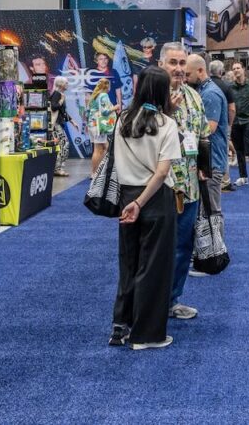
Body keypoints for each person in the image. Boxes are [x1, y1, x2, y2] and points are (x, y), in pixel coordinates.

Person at [109, 66, 181, 351]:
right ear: (163, 91)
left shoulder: (122, 119)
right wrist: (141, 202)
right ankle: (147, 335)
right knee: (154, 266)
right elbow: (162, 172)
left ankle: (120, 326)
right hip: (154, 198)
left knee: (128, 262)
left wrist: (133, 202)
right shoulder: (167, 124)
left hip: (126, 195)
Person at [159, 42, 209, 321]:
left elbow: (202, 136)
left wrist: (204, 167)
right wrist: (165, 112)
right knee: (157, 249)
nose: (178, 69)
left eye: (181, 64)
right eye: (173, 63)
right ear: (161, 64)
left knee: (182, 247)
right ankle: (151, 302)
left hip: (189, 186)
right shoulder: (150, 97)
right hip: (159, 187)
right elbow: (141, 135)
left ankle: (171, 300)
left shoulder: (194, 96)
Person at [186, 53, 229, 265]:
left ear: (200, 71)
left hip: (212, 161)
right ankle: (210, 250)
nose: (185, 78)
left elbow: (208, 129)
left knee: (213, 209)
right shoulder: (203, 91)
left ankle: (216, 254)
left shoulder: (210, 94)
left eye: (188, 74)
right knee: (208, 208)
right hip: (209, 159)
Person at [209, 60, 237, 192]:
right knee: (223, 152)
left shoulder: (205, 85)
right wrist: (229, 125)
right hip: (221, 125)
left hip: (206, 124)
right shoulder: (226, 87)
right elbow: (232, 109)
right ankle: (224, 181)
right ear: (221, 72)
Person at [86, 78, 117, 177]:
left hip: (93, 125)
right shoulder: (103, 95)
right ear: (107, 86)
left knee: (105, 147)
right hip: (99, 126)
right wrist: (115, 107)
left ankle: (101, 170)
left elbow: (88, 111)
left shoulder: (94, 96)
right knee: (98, 149)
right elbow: (105, 111)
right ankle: (94, 173)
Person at [49, 75, 72, 177]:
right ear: (61, 84)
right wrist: (61, 100)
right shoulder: (57, 94)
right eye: (66, 83)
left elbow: (63, 112)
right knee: (63, 145)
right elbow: (54, 107)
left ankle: (58, 167)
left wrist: (72, 121)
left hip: (59, 124)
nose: (67, 85)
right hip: (56, 124)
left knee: (63, 145)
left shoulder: (60, 94)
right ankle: (58, 168)